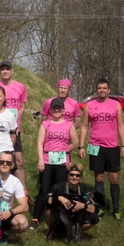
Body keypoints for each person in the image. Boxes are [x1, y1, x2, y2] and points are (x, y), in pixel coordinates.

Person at [79, 78, 124, 220]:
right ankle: (100, 207)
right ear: (96, 90)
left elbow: (121, 126)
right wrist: (81, 146)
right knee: (99, 177)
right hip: (95, 147)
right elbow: (84, 126)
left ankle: (116, 209)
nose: (102, 90)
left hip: (112, 147)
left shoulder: (116, 105)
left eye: (104, 88)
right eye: (99, 88)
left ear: (109, 90)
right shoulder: (89, 106)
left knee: (114, 179)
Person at [31, 97, 78, 230]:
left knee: (60, 190)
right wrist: (41, 160)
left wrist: (63, 150)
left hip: (62, 162)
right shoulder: (45, 124)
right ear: (50, 110)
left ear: (63, 110)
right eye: (54, 108)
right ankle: (35, 218)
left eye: (59, 108)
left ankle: (59, 217)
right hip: (47, 161)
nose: (56, 110)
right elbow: (40, 143)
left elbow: (75, 143)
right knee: (44, 190)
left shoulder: (69, 125)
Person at [0, 61, 29, 189]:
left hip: (14, 129)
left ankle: (22, 191)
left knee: (19, 161)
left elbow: (22, 106)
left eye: (7, 69)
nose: (5, 71)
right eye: (2, 69)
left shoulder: (20, 87)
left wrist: (17, 120)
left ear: (12, 71)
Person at [47, 162, 101, 243]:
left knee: (95, 217)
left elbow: (96, 209)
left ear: (80, 177)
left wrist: (83, 206)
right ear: (68, 176)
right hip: (60, 219)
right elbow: (45, 200)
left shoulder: (84, 189)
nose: (74, 177)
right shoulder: (60, 187)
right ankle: (53, 231)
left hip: (76, 219)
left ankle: (78, 232)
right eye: (72, 175)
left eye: (77, 175)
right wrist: (59, 198)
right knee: (49, 208)